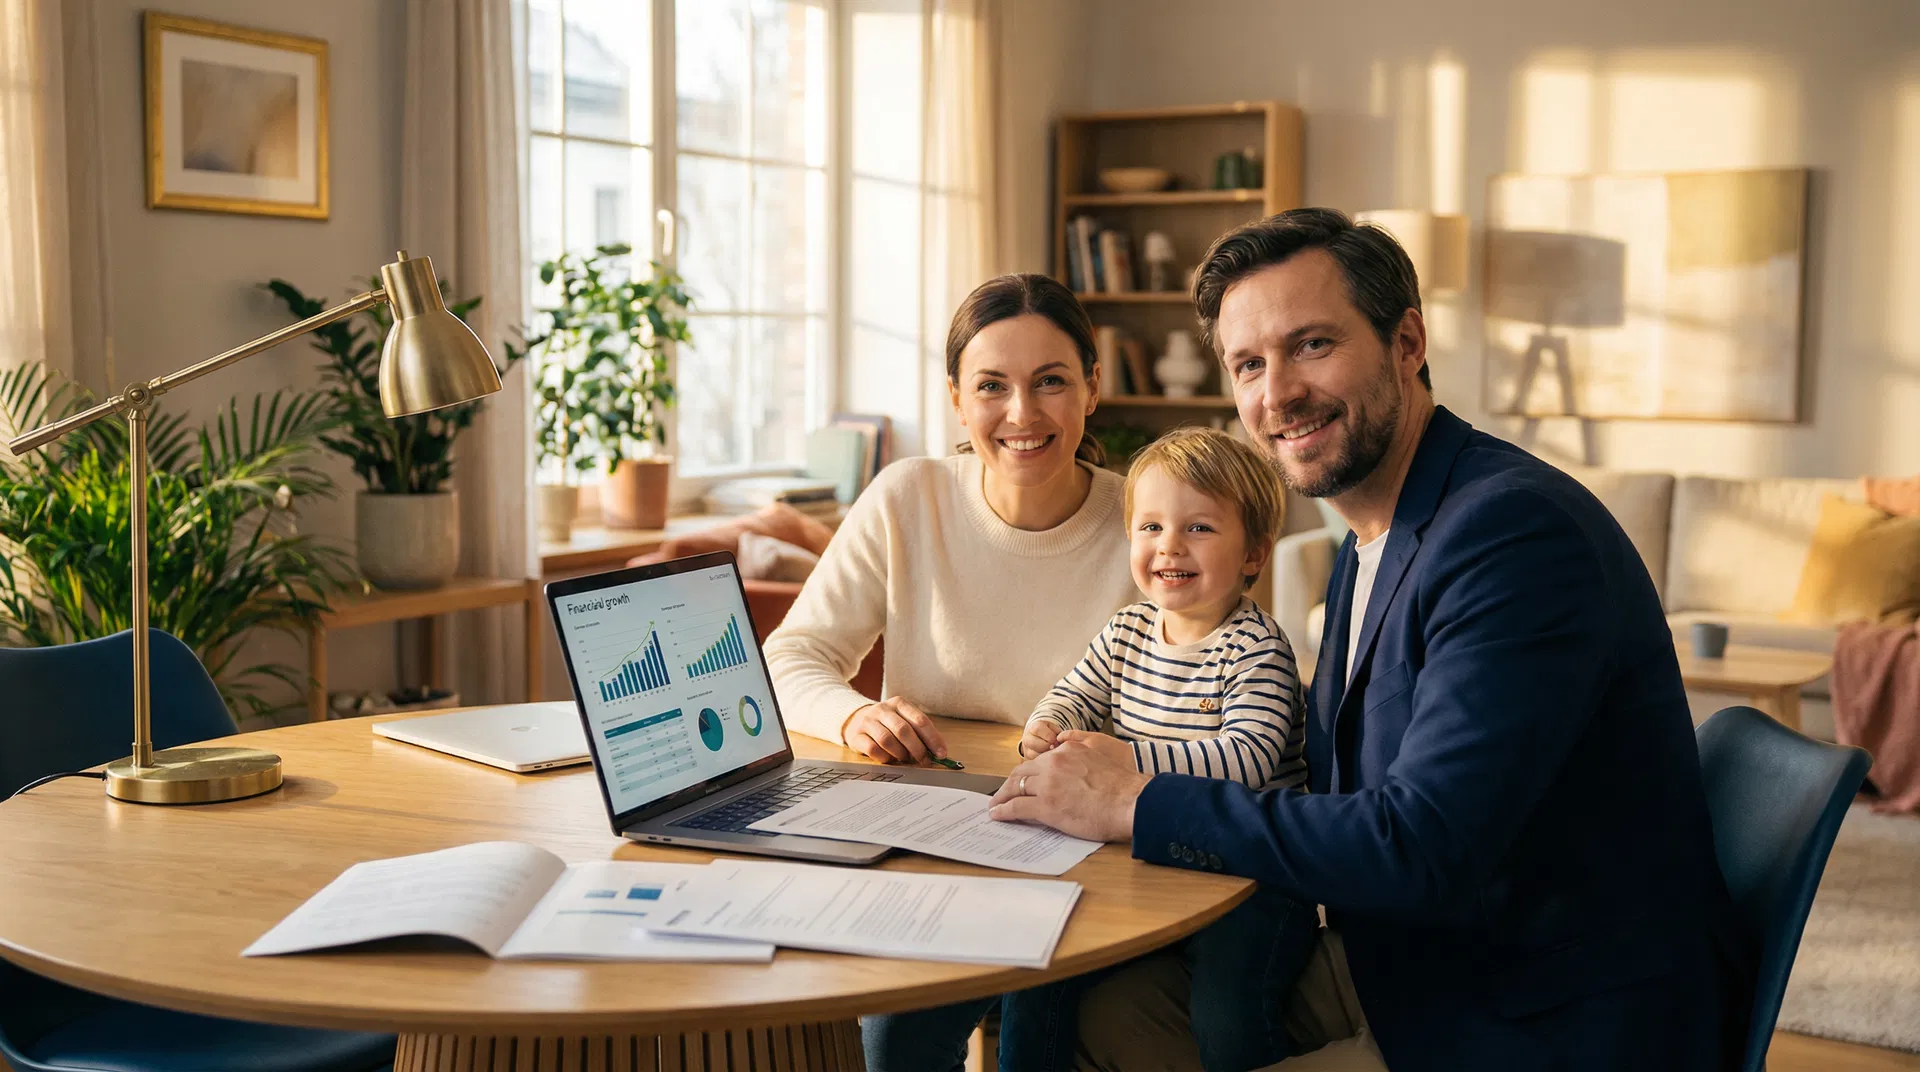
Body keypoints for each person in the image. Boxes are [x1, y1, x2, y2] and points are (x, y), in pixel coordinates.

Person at [988, 208, 1752, 1071]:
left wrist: (1135, 800)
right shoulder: (1371, 536)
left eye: (1312, 344)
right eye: (1249, 364)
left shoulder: (1512, 536)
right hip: (1421, 955)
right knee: (1089, 1011)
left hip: (1536, 1015)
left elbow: (1421, 845)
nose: (1278, 394)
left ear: (1407, 342)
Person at [761, 272, 1142, 1072]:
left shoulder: (1148, 519)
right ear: (957, 401)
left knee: (1044, 1035)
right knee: (893, 1043)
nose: (1022, 414)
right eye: (992, 386)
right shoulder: (910, 496)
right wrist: (852, 714)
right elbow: (793, 655)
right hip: (932, 846)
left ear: (1092, 387)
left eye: (1051, 382)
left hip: (1089, 853)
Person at [999, 427, 1318, 1072]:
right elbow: (1074, 694)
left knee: (1227, 1011)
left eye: (1198, 528)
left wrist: (1123, 760)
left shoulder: (1257, 648)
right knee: (1038, 975)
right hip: (1150, 866)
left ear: (1254, 553)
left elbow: (1247, 761)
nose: (1169, 545)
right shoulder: (1127, 631)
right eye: (1150, 527)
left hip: (1254, 882)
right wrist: (1048, 725)